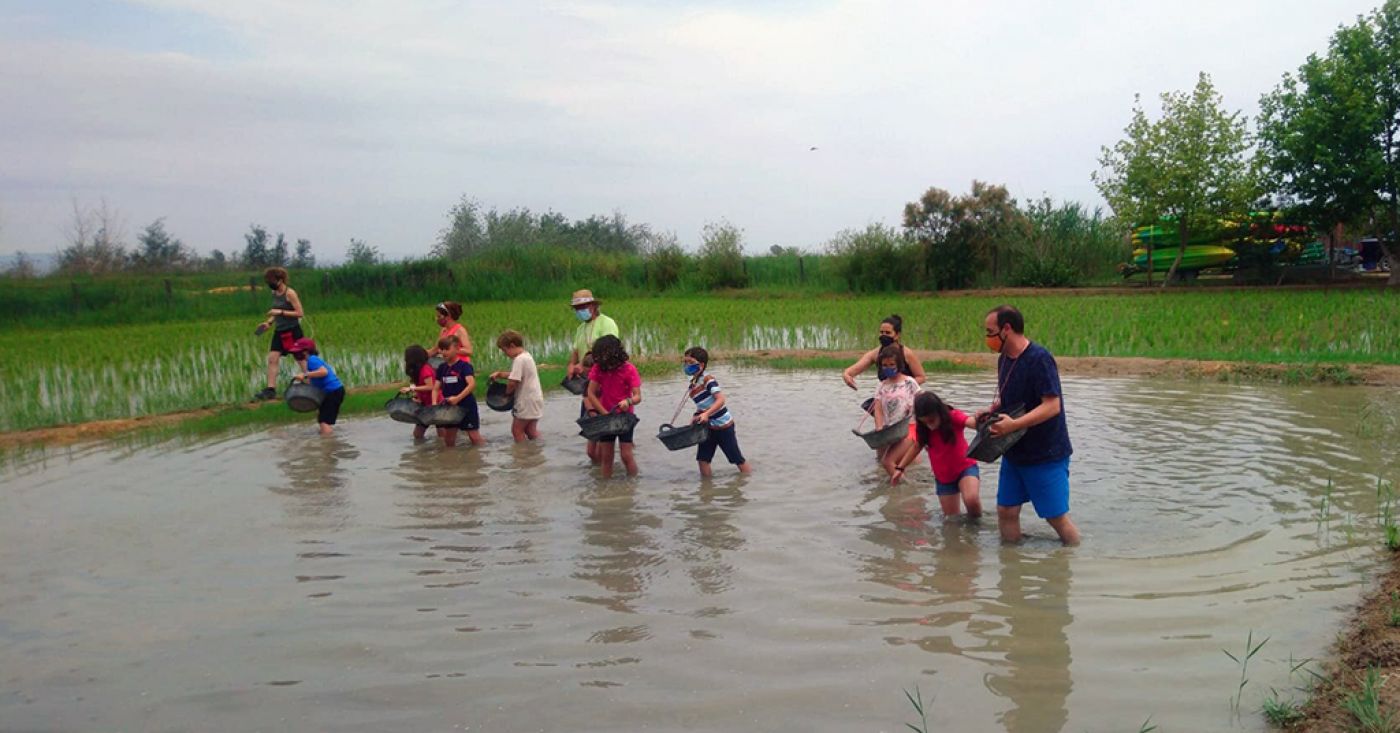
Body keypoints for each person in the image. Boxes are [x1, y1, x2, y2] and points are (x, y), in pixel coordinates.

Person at [982, 305, 1080, 545]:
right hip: (1015, 450)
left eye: (990, 331)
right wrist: (994, 411)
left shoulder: (1039, 359)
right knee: (1006, 511)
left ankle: (1072, 561)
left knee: (1056, 518)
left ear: (1007, 329)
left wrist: (1013, 424)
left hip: (1044, 452)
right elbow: (1013, 400)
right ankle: (1011, 572)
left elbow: (1052, 405)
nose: (987, 338)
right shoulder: (1004, 359)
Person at [891, 391, 982, 518]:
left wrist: (981, 421)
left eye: (932, 420)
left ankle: (976, 527)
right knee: (951, 520)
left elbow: (969, 421)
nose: (930, 426)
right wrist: (900, 468)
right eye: (925, 422)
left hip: (965, 468)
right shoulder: (923, 429)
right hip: (943, 477)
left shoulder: (953, 416)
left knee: (971, 499)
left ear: (939, 412)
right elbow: (917, 446)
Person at [567, 289, 619, 463]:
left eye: (583, 306)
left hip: (605, 383)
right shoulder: (581, 328)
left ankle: (605, 474)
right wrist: (572, 364)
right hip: (588, 384)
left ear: (593, 306)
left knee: (603, 432)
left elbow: (609, 350)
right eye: (577, 308)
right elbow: (576, 350)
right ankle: (601, 471)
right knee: (593, 434)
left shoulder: (607, 323)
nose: (579, 311)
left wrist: (583, 365)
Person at [683, 347, 751, 477]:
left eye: (690, 362)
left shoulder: (708, 380)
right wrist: (697, 415)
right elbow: (703, 405)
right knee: (703, 460)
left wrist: (706, 414)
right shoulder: (693, 383)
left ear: (701, 365)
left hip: (723, 426)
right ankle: (706, 491)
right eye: (685, 362)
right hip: (707, 427)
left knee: (736, 458)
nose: (686, 366)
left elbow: (720, 400)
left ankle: (748, 479)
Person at [584, 335, 641, 478]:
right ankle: (605, 489)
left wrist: (628, 402)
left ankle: (632, 484)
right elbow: (590, 393)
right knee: (606, 457)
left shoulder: (629, 369)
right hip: (606, 417)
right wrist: (604, 413)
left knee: (626, 455)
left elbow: (638, 396)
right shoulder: (598, 369)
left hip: (625, 417)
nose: (604, 364)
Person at [254, 267, 305, 401]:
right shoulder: (274, 292)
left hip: (292, 331)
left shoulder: (290, 293)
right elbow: (276, 311)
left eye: (272, 281)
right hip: (279, 331)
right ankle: (271, 390)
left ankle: (312, 381)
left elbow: (300, 313)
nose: (270, 284)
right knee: (272, 359)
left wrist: (280, 313)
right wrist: (268, 323)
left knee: (300, 359)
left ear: (280, 280)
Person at [869, 343, 919, 477]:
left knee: (909, 463)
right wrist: (879, 428)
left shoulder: (910, 382)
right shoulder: (881, 386)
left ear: (899, 365)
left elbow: (921, 401)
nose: (888, 368)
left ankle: (907, 485)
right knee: (884, 463)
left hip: (909, 427)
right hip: (890, 429)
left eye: (892, 365)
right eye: (885, 365)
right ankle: (897, 489)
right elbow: (878, 409)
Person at [842, 314, 926, 392]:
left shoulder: (906, 354)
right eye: (881, 332)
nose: (884, 335)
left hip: (906, 394)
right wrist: (846, 375)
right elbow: (852, 370)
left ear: (897, 335)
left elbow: (921, 377)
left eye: (888, 333)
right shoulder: (875, 354)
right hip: (886, 395)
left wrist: (901, 387)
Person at [489, 330, 544, 442]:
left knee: (517, 430)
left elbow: (513, 382)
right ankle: (537, 450)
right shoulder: (527, 356)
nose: (505, 354)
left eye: (505, 350)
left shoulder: (519, 360)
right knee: (531, 431)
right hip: (535, 399)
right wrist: (500, 374)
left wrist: (507, 395)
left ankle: (522, 456)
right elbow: (517, 375)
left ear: (512, 345)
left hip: (526, 401)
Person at [433, 335, 484, 448]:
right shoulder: (441, 368)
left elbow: (471, 384)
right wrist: (434, 404)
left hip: (466, 405)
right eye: (441, 349)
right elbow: (436, 388)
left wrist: (458, 398)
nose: (443, 352)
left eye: (447, 349)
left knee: (474, 436)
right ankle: (451, 462)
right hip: (449, 406)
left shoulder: (464, 366)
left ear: (457, 349)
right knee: (449, 439)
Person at [288, 338, 344, 436]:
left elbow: (324, 372)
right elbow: (314, 380)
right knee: (323, 418)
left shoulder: (312, 360)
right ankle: (327, 435)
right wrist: (303, 379)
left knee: (324, 421)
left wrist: (305, 375)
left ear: (305, 352)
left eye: (297, 352)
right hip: (333, 391)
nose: (295, 356)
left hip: (332, 392)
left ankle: (328, 443)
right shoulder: (312, 361)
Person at [399, 344, 437, 441]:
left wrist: (412, 389)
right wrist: (418, 397)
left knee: (442, 433)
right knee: (417, 434)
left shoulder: (425, 370)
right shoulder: (418, 370)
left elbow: (430, 387)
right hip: (425, 404)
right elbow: (422, 387)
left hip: (435, 403)